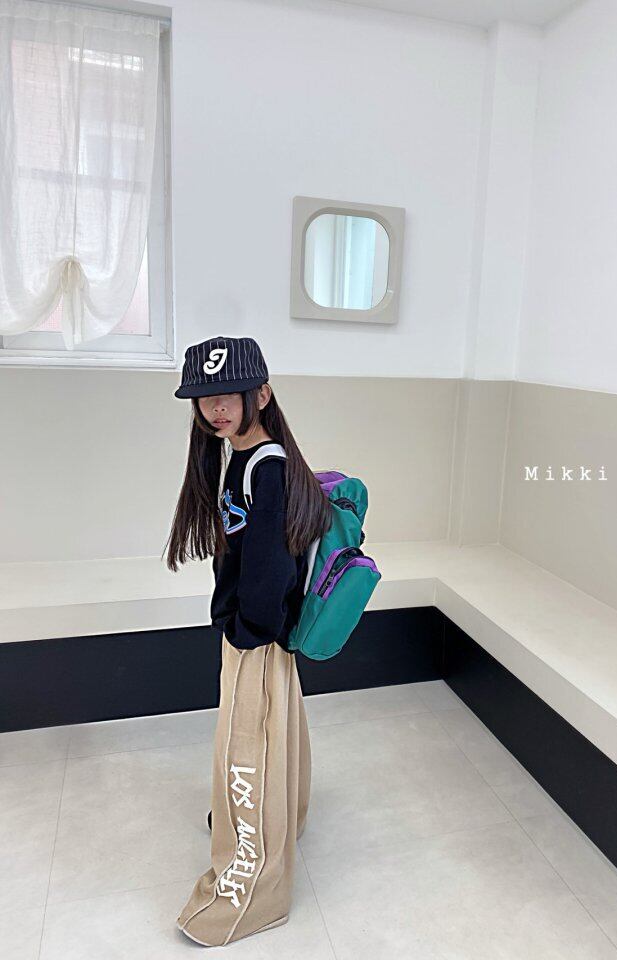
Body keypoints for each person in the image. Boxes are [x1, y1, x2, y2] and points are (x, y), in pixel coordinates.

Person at [163, 335, 332, 947]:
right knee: (272, 735)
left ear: (261, 394)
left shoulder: (268, 466)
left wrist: (247, 630)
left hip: (256, 636)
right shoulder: (239, 455)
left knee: (247, 746)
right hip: (256, 631)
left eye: (228, 395)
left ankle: (251, 881)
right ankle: (279, 815)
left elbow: (272, 565)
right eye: (204, 398)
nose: (216, 408)